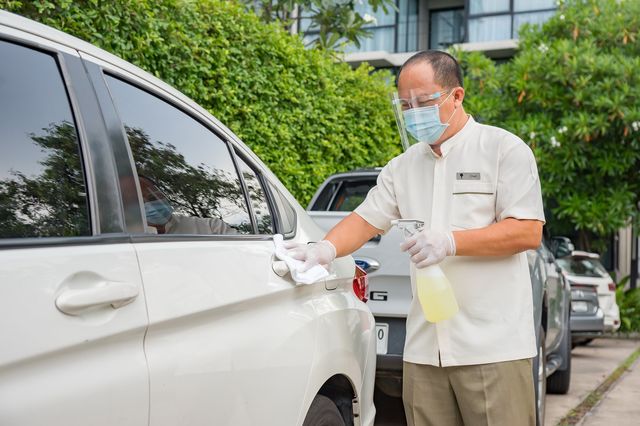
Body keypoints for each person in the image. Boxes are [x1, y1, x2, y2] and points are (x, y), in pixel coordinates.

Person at [287, 50, 545, 425]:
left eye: (424, 102)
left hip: (492, 347)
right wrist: (323, 249)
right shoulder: (403, 167)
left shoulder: (503, 149)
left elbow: (527, 230)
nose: (414, 113)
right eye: (405, 104)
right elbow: (364, 219)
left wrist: (451, 242)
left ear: (456, 96)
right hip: (425, 348)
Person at [138, 175, 237, 235]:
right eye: (140, 203)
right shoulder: (127, 243)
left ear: (164, 195)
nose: (151, 206)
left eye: (153, 198)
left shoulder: (212, 228)